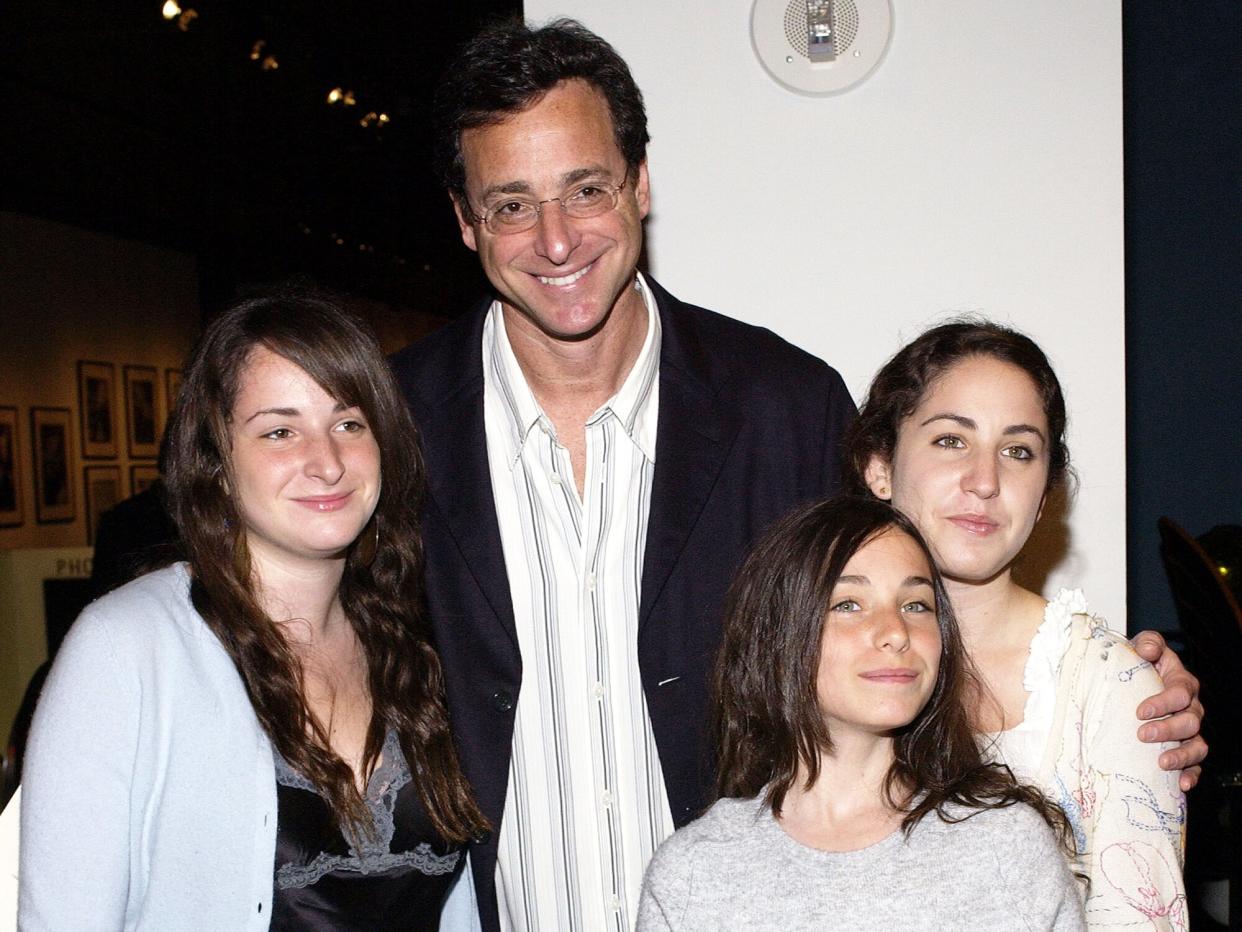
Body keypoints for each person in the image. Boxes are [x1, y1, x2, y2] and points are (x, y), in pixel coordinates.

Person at [390, 18, 1203, 931]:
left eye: (586, 189)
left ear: (641, 185)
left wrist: (1104, 691)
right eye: (509, 204)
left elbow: (899, 604)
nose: (556, 238)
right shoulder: (395, 424)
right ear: (465, 221)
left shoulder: (785, 405)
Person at [20, 292, 486, 929]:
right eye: (280, 431)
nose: (326, 463)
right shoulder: (126, 648)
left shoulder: (419, 641)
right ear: (215, 461)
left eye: (349, 423)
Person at [845, 320, 1187, 928]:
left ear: (1046, 492)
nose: (985, 481)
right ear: (880, 466)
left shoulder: (1108, 690)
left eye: (1018, 450)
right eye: (951, 440)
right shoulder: (820, 663)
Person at [638, 497, 1085, 930]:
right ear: (779, 637)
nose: (895, 632)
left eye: (916, 606)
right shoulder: (695, 872)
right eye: (848, 604)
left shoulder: (1006, 847)